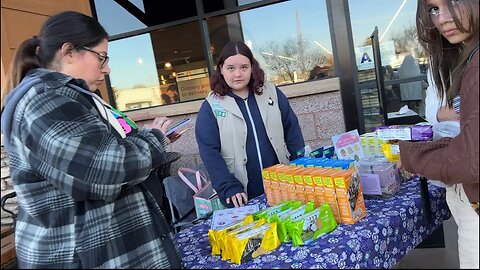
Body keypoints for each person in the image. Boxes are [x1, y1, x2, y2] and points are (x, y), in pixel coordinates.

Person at [0, 11, 184, 268]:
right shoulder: (44, 100)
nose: (107, 68)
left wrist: (155, 150)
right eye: (102, 57)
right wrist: (155, 140)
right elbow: (103, 168)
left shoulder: (71, 98)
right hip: (82, 258)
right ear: (69, 52)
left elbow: (106, 153)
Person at [398, 0, 479, 268]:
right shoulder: (462, 57)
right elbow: (435, 110)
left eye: (453, 2)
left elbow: (471, 158)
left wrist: (408, 156)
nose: (442, 18)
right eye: (433, 9)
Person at [195, 41, 305, 208]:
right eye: (231, 68)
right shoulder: (212, 105)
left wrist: (300, 164)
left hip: (283, 186)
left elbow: (292, 130)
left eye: (244, 67)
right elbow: (209, 151)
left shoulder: (271, 93)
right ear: (221, 70)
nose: (238, 74)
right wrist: (228, 186)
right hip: (242, 195)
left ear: (252, 68)